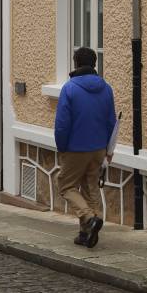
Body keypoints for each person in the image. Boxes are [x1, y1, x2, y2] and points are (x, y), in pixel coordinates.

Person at [54, 47, 117, 248]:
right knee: (90, 188)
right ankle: (86, 234)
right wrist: (109, 150)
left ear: (76, 63)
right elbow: (111, 121)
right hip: (99, 147)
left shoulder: (69, 88)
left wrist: (61, 147)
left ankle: (89, 218)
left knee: (65, 185)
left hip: (75, 148)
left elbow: (62, 123)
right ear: (94, 64)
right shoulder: (106, 88)